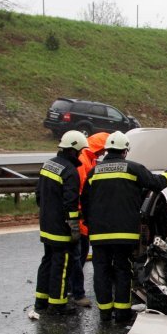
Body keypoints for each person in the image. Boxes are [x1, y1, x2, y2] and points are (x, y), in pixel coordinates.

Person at [82, 131, 167, 323]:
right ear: (125, 151)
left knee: (101, 271)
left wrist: (90, 223)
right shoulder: (133, 169)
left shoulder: (94, 173)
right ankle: (122, 314)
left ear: (107, 149)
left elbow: (85, 202)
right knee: (122, 270)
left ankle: (105, 313)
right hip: (124, 233)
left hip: (99, 234)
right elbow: (157, 183)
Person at [34, 130, 87, 315]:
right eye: (80, 151)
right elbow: (70, 204)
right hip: (60, 229)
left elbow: (39, 196)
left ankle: (41, 301)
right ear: (73, 150)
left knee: (47, 262)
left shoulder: (48, 164)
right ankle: (57, 304)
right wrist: (74, 229)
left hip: (46, 225)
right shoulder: (70, 172)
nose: (80, 155)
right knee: (62, 265)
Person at [67, 131, 109, 307]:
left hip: (81, 216)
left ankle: (69, 288)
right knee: (78, 256)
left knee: (78, 256)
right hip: (79, 217)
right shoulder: (84, 159)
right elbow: (80, 189)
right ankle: (77, 293)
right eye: (102, 151)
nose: (102, 155)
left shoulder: (89, 158)